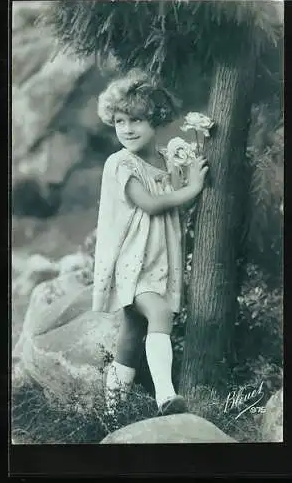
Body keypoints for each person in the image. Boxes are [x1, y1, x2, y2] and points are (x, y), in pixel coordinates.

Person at [92, 69, 208, 416]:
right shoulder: (120, 163)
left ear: (156, 119)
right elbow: (152, 203)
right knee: (157, 312)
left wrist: (190, 166)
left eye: (137, 120)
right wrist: (192, 188)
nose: (127, 129)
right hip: (133, 260)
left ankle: (111, 412)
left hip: (160, 258)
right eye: (120, 121)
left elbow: (174, 191)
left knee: (131, 333)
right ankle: (166, 397)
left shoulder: (164, 159)